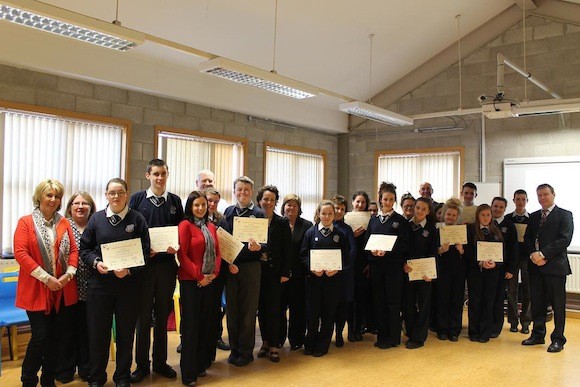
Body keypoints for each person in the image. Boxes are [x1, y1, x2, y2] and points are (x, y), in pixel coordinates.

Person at [80, 178, 150, 387]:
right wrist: (96, 262)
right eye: (112, 193)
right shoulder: (96, 219)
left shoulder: (137, 219)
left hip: (128, 286)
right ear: (106, 195)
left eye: (120, 192)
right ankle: (97, 377)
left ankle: (122, 377)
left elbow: (145, 253)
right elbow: (85, 249)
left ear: (127, 194)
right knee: (98, 334)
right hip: (100, 286)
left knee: (125, 335)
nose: (116, 196)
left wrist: (128, 270)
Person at [14, 179, 78, 387]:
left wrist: (68, 275)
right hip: (36, 288)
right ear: (39, 197)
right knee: (41, 336)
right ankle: (28, 379)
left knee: (56, 337)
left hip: (61, 288)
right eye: (49, 195)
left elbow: (74, 252)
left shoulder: (64, 223)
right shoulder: (25, 222)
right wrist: (47, 278)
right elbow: (21, 253)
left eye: (57, 196)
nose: (53, 199)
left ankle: (48, 379)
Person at [130, 159, 183, 383]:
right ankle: (142, 365)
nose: (159, 178)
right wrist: (144, 251)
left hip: (167, 268)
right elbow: (130, 231)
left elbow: (182, 230)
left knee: (162, 316)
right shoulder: (137, 199)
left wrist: (176, 246)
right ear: (148, 175)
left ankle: (160, 362)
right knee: (143, 318)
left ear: (167, 175)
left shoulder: (175, 201)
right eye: (155, 174)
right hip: (143, 269)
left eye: (163, 174)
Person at [522, 184, 574, 353]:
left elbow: (564, 240)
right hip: (535, 267)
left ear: (553, 194)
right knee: (537, 302)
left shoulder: (565, 215)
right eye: (539, 195)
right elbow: (528, 238)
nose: (542, 198)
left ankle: (558, 339)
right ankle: (538, 334)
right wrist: (533, 255)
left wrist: (543, 255)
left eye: (545, 194)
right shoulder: (534, 216)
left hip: (555, 267)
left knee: (558, 305)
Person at [177, 190, 222, 386]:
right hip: (191, 282)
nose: (201, 208)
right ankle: (188, 373)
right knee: (191, 326)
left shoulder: (211, 226)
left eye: (204, 205)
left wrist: (213, 274)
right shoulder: (185, 225)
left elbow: (218, 253)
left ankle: (200, 365)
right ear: (190, 207)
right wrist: (200, 276)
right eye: (197, 205)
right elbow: (182, 256)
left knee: (205, 324)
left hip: (209, 282)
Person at [223, 176, 265, 366]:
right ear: (234, 191)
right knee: (232, 310)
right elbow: (223, 240)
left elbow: (265, 243)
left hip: (251, 267)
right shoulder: (229, 212)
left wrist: (260, 247)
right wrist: (228, 262)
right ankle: (234, 349)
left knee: (248, 311)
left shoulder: (259, 213)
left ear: (251, 192)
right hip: (231, 267)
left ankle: (246, 352)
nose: (243, 193)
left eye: (246, 190)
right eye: (239, 189)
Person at [56, 191, 96, 383]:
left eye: (85, 203)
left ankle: (86, 369)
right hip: (67, 288)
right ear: (70, 206)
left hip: (93, 288)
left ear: (91, 207)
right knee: (67, 331)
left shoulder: (96, 225)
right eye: (76, 203)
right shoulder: (62, 226)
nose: (80, 206)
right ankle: (64, 370)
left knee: (88, 331)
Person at [300, 200, 348, 357]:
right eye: (324, 213)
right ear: (318, 214)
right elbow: (303, 255)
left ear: (335, 215)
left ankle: (322, 345)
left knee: (328, 315)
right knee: (312, 315)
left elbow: (345, 257)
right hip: (314, 281)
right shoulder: (310, 233)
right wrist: (312, 268)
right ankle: (310, 343)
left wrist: (336, 270)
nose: (327, 216)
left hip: (332, 282)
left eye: (330, 214)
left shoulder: (340, 235)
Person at [366, 182, 409, 349]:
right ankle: (382, 336)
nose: (388, 202)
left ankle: (393, 337)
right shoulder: (373, 221)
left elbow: (404, 245)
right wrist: (373, 252)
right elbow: (367, 243)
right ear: (380, 200)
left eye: (391, 199)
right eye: (385, 199)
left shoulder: (400, 221)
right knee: (379, 301)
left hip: (393, 269)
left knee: (393, 302)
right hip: (377, 268)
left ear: (395, 200)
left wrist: (388, 252)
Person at [256, 185, 292, 362]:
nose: (268, 202)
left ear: (276, 202)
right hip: (257, 272)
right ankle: (265, 341)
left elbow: (288, 249)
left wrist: (286, 271)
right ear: (259, 201)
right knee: (261, 309)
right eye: (265, 199)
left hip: (276, 272)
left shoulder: (282, 222)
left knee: (275, 309)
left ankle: (274, 345)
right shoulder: (254, 220)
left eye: (272, 199)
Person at [465, 204, 504, 343]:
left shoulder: (496, 231)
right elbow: (467, 252)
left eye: (488, 215)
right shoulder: (470, 230)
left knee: (489, 302)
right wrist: (479, 263)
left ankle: (485, 332)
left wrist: (496, 264)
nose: (485, 218)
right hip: (475, 272)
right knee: (475, 302)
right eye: (483, 215)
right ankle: (474, 331)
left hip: (492, 273)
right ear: (478, 216)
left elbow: (502, 254)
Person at [401, 197, 438, 349]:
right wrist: (403, 264)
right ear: (414, 207)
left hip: (425, 275)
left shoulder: (431, 229)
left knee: (423, 305)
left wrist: (431, 273)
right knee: (408, 304)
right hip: (408, 272)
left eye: (424, 209)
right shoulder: (405, 226)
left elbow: (434, 253)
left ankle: (419, 337)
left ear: (428, 212)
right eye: (418, 208)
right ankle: (410, 331)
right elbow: (401, 248)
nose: (420, 211)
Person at [279, 194, 313, 351]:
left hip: (299, 275)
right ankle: (278, 339)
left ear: (299, 208)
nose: (291, 208)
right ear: (283, 207)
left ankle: (296, 339)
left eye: (294, 205)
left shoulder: (307, 226)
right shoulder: (278, 224)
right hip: (280, 275)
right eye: (288, 204)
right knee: (279, 309)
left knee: (297, 309)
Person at [204, 187, 231, 356]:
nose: (212, 204)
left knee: (216, 307)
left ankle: (216, 337)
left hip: (218, 270)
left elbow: (228, 243)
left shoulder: (222, 220)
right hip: (200, 272)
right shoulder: (193, 218)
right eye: (209, 201)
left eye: (215, 201)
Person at [435, 198, 465, 342]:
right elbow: (431, 251)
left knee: (456, 300)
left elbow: (469, 254)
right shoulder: (438, 230)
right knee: (442, 299)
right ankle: (442, 329)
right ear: (443, 215)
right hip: (442, 270)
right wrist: (440, 250)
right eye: (448, 215)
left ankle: (454, 330)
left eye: (453, 215)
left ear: (457, 216)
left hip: (458, 271)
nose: (451, 217)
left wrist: (461, 251)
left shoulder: (462, 232)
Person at [330, 195, 356, 348]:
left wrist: (344, 268)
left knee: (342, 306)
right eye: (336, 208)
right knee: (329, 306)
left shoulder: (347, 229)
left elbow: (353, 251)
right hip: (327, 274)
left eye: (342, 209)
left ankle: (339, 333)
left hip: (344, 274)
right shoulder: (323, 226)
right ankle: (327, 332)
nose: (339, 211)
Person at [490, 197, 517, 337]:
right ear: (491, 206)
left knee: (499, 298)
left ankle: (496, 328)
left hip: (502, 269)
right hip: (486, 268)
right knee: (488, 298)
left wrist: (511, 269)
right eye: (495, 206)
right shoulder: (486, 222)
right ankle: (486, 324)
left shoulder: (509, 225)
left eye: (501, 207)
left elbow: (513, 249)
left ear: (505, 209)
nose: (497, 209)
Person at [507, 189, 531, 334]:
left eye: (523, 199)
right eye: (518, 199)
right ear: (514, 200)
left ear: (527, 201)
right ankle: (513, 322)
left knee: (528, 290)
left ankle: (526, 322)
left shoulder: (532, 218)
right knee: (511, 291)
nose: (520, 201)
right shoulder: (508, 218)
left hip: (528, 258)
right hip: (512, 259)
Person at [348, 191, 371, 342]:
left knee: (362, 297)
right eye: (357, 201)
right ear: (352, 203)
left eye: (363, 202)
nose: (360, 205)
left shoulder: (371, 219)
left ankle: (359, 328)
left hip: (364, 263)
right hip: (350, 264)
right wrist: (353, 235)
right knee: (350, 298)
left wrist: (370, 262)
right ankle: (350, 329)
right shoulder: (346, 219)